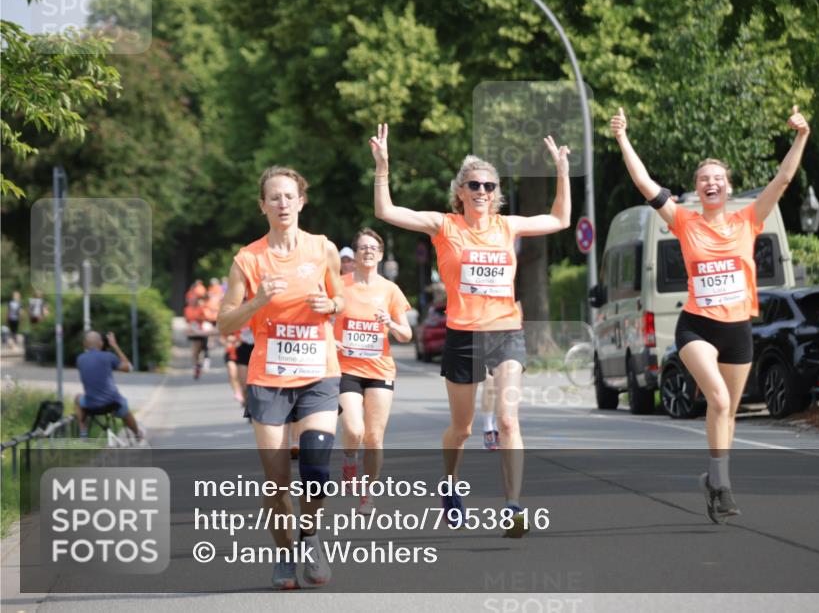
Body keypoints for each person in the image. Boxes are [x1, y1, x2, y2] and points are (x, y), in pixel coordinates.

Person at [611, 105, 810, 522]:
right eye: (704, 179)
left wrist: (800, 136)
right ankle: (723, 487)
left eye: (717, 178)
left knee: (728, 412)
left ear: (728, 187)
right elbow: (645, 184)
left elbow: (785, 179)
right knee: (717, 397)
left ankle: (715, 480)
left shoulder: (748, 219)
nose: (710, 183)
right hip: (697, 326)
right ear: (698, 189)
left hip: (738, 329)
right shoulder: (684, 221)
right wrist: (623, 138)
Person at [372, 123, 570, 536]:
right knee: (461, 428)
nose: (482, 191)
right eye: (474, 185)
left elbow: (560, 218)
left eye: (489, 186)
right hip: (462, 335)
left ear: (496, 193)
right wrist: (382, 169)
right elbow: (386, 213)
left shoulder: (507, 226)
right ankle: (450, 484)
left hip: (506, 333)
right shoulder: (444, 226)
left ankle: (513, 506)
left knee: (509, 420)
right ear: (460, 191)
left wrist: (562, 171)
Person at [217, 165, 346, 590]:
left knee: (316, 466)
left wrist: (331, 306)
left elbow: (339, 297)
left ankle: (309, 536)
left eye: (289, 196)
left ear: (302, 201)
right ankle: (285, 554)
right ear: (263, 206)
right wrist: (257, 301)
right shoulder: (248, 259)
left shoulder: (322, 249)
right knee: (277, 483)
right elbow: (223, 323)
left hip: (318, 374)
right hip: (269, 380)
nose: (283, 203)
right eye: (274, 197)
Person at [334, 228, 412, 514]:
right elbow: (320, 321)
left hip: (379, 368)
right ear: (354, 254)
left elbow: (406, 334)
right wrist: (332, 339)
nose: (368, 251)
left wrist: (390, 322)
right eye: (362, 247)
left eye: (373, 248)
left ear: (380, 254)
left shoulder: (390, 290)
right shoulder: (339, 285)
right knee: (355, 429)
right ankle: (349, 457)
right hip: (346, 368)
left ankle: (367, 493)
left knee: (375, 437)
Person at [74, 331, 144, 441]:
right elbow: (129, 368)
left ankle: (83, 434)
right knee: (123, 405)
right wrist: (115, 346)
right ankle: (137, 434)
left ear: (85, 344)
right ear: (101, 343)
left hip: (91, 405)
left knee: (77, 398)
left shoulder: (80, 359)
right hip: (112, 404)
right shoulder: (108, 356)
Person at [185, 295, 214, 379]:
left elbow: (208, 318)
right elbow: (187, 320)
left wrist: (200, 319)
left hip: (203, 331)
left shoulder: (203, 308)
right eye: (191, 300)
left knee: (203, 348)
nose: (192, 302)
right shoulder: (187, 309)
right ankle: (197, 366)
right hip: (194, 332)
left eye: (194, 300)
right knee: (195, 351)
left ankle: (203, 362)